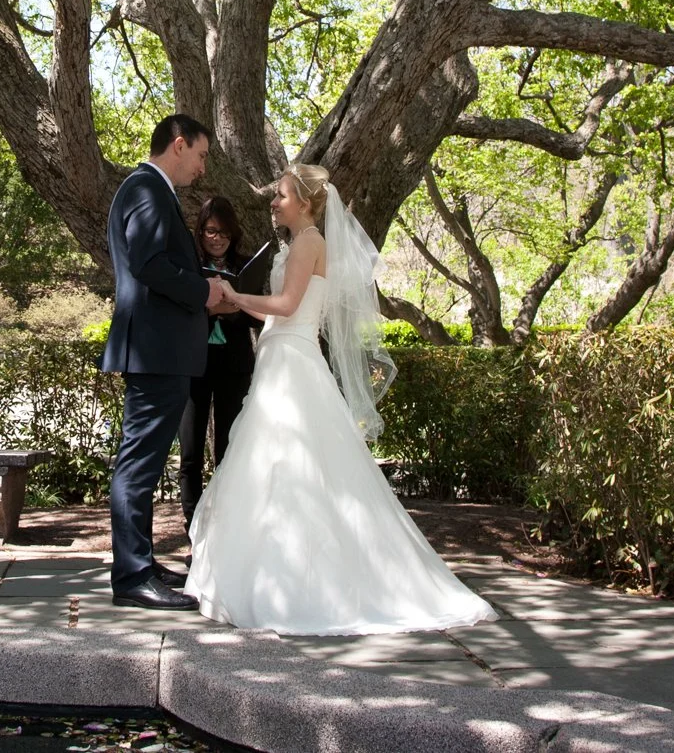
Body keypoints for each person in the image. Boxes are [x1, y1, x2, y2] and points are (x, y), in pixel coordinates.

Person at [185, 164, 496, 635]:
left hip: (292, 361)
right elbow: (277, 304)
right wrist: (229, 301)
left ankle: (297, 583)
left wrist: (232, 291)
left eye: (282, 195)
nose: (274, 201)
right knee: (275, 467)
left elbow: (287, 307)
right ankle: (273, 571)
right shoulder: (298, 243)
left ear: (306, 203)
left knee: (290, 467)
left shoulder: (310, 242)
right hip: (280, 356)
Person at [101, 112, 228, 610]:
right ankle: (131, 577)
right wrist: (203, 291)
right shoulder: (147, 189)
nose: (201, 167)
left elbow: (160, 263)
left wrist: (206, 281)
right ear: (178, 145)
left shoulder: (150, 190)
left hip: (160, 346)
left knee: (146, 461)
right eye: (200, 155)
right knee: (139, 463)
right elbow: (149, 265)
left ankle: (140, 560)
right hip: (156, 348)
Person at [177, 195, 263, 528]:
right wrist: (210, 308)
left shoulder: (244, 266)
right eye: (211, 231)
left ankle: (224, 526)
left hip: (234, 366)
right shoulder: (187, 266)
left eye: (224, 233)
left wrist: (235, 308)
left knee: (228, 449)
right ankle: (193, 524)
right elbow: (178, 312)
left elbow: (258, 318)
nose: (217, 238)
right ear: (200, 231)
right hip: (194, 366)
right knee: (191, 451)